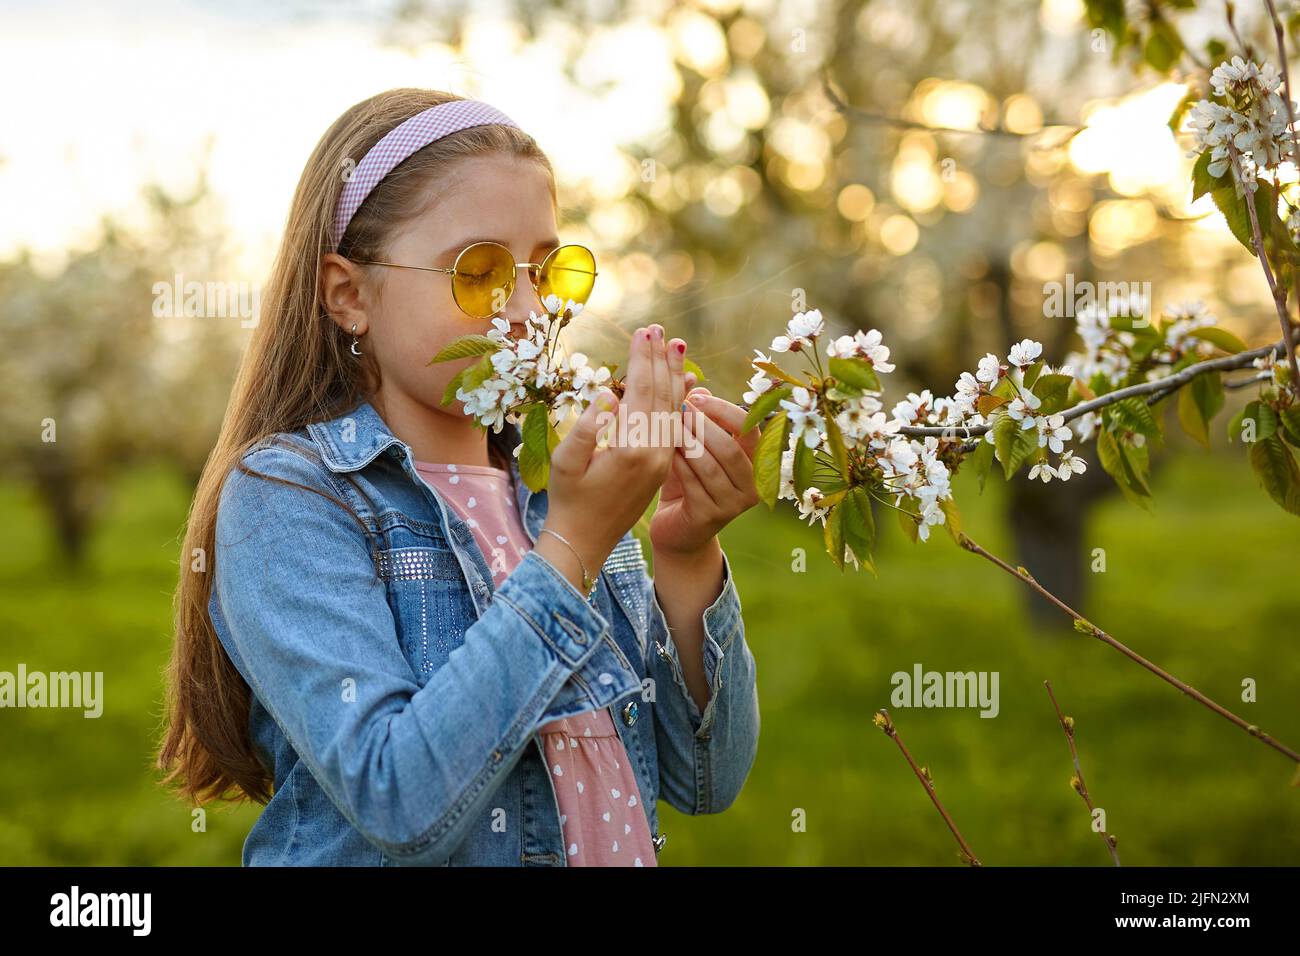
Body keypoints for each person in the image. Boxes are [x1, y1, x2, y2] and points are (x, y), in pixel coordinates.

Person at [156, 90, 763, 866]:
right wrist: (571, 548)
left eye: (549, 272)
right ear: (349, 296)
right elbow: (398, 797)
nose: (524, 310)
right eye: (477, 272)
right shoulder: (291, 497)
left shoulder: (551, 488)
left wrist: (684, 553)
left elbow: (705, 779)